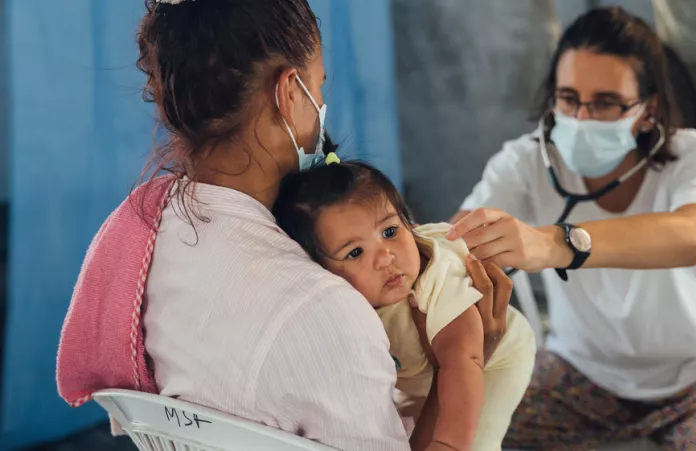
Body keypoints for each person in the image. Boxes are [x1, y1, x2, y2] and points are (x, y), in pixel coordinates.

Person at [57, 1, 515, 450]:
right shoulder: (323, 309)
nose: (321, 103)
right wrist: (463, 360)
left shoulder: (140, 236)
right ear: (290, 93)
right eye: (319, 85)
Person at [449, 7, 696, 450]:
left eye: (605, 103)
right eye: (567, 98)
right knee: (467, 424)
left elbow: (695, 236)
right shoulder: (525, 163)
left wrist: (556, 243)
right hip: (581, 373)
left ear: (647, 109)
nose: (581, 117)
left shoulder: (695, 158)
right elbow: (455, 245)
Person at [273, 159, 536, 451]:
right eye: (356, 252)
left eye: (389, 232)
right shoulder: (337, 301)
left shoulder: (437, 275)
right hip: (421, 373)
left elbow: (465, 360)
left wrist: (448, 444)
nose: (386, 256)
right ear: (321, 269)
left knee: (476, 442)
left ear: (409, 224)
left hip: (491, 359)